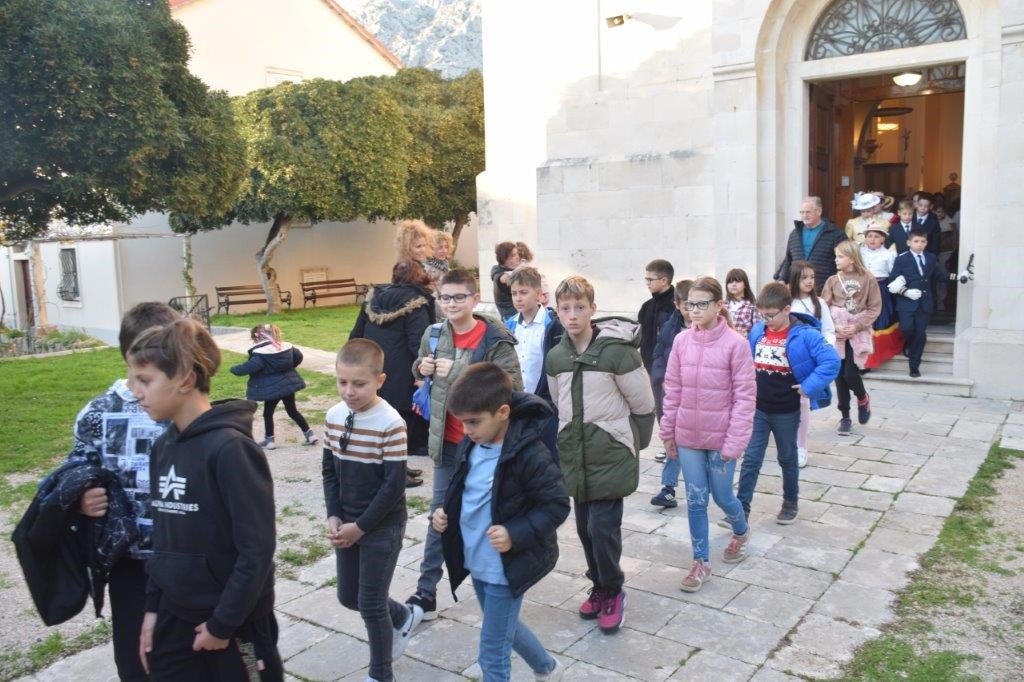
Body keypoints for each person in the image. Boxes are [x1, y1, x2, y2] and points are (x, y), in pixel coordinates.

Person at [131, 319, 281, 681]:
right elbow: (163, 538)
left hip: (235, 624)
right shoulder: (163, 446)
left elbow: (256, 549)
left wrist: (222, 624)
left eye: (145, 380)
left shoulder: (231, 449)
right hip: (174, 616)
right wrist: (152, 609)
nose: (135, 391)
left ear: (185, 379)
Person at [432, 363, 568, 681]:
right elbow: (463, 489)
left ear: (502, 412)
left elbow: (557, 505)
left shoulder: (530, 453)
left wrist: (514, 533)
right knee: (506, 625)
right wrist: (442, 513)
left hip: (506, 566)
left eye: (473, 422)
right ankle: (547, 668)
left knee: (492, 653)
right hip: (477, 558)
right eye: (462, 422)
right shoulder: (472, 442)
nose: (466, 430)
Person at [68, 302, 181, 682]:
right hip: (129, 560)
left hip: (183, 554)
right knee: (136, 660)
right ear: (128, 356)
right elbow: (75, 471)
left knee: (184, 651)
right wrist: (82, 498)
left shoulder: (182, 405)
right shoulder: (98, 413)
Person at [406, 268, 523, 621]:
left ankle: (501, 584)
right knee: (439, 515)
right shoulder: (434, 333)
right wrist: (421, 367)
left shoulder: (495, 338)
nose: (451, 304)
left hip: (487, 446)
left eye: (459, 297)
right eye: (445, 298)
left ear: (475, 299)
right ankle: (426, 592)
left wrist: (459, 372)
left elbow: (512, 387)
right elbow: (418, 369)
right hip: (447, 442)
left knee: (490, 514)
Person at [546, 276, 655, 632]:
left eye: (580, 307)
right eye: (565, 308)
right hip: (576, 455)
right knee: (584, 528)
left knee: (602, 527)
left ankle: (613, 590)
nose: (572, 315)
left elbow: (644, 405)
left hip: (611, 453)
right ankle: (599, 585)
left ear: (593, 309)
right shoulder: (557, 356)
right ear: (557, 312)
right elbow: (558, 401)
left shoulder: (617, 353)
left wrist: (628, 444)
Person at [323, 339, 423, 682]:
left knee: (370, 603)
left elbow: (394, 486)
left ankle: (381, 674)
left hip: (382, 527)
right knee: (349, 597)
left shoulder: (391, 423)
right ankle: (403, 616)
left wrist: (361, 527)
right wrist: (334, 515)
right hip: (347, 523)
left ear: (380, 380)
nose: (349, 391)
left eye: (359, 384)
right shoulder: (334, 416)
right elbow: (329, 471)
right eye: (342, 382)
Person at [660, 276, 754, 592]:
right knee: (696, 499)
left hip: (722, 438)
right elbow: (672, 388)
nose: (695, 310)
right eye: (691, 304)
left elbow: (745, 397)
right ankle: (701, 561)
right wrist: (668, 431)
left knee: (723, 495)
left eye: (702, 304)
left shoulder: (736, 345)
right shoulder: (681, 341)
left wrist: (735, 441)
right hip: (688, 435)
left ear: (719, 305)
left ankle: (740, 530)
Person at [736, 282, 840, 525]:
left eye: (770, 315)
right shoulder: (758, 331)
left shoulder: (807, 335)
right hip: (758, 408)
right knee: (751, 458)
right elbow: (747, 361)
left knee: (787, 457)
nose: (766, 320)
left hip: (786, 410)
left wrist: (808, 387)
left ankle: (790, 502)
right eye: (762, 315)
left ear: (786, 309)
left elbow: (831, 362)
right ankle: (741, 509)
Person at [350, 260, 438, 485]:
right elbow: (418, 343)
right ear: (419, 277)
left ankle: (399, 468)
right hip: (402, 373)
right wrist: (423, 373)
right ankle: (395, 474)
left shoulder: (373, 299)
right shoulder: (416, 302)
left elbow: (356, 335)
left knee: (382, 420)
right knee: (398, 425)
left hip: (373, 369)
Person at [822, 240, 882, 436]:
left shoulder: (868, 278)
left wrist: (857, 326)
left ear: (852, 258)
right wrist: (836, 327)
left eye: (840, 256)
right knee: (839, 376)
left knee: (850, 372)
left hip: (857, 331)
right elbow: (824, 308)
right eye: (836, 256)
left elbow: (874, 307)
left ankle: (862, 397)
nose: (836, 259)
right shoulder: (832, 280)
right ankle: (845, 416)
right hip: (838, 333)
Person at [503, 266, 564, 456]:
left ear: (538, 294)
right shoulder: (508, 325)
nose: (518, 298)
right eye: (514, 293)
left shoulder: (553, 325)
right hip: (517, 403)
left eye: (523, 292)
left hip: (546, 404)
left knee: (547, 455)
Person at [229, 324, 317, 450]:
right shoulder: (285, 347)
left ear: (257, 337)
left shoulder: (261, 354)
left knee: (268, 413)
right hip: (288, 386)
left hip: (273, 389)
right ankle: (310, 434)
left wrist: (233, 369)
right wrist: (288, 369)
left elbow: (249, 367)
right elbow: (298, 357)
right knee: (292, 411)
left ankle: (269, 440)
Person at [887, 229, 955, 378]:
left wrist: (958, 276)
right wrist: (906, 292)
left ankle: (914, 365)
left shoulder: (931, 257)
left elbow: (940, 275)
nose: (920, 244)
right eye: (916, 241)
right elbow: (892, 280)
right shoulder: (902, 259)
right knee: (906, 328)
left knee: (920, 333)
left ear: (926, 243)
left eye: (923, 241)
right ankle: (908, 343)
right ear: (909, 243)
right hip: (906, 302)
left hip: (924, 302)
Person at [788, 261, 835, 467]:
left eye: (812, 277)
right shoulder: (787, 302)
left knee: (803, 401)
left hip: (808, 361)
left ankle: (801, 446)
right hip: (788, 358)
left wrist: (824, 349)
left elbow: (828, 330)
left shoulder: (820, 303)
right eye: (804, 277)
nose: (809, 281)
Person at [650, 279, 692, 507]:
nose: (691, 310)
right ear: (677, 305)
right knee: (672, 437)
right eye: (686, 305)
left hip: (700, 395)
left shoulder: (709, 327)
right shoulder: (670, 327)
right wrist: (661, 378)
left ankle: (701, 487)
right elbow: (659, 354)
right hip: (675, 392)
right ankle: (668, 488)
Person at [638, 259, 676, 464]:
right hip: (651, 366)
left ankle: (679, 447)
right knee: (661, 409)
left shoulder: (675, 306)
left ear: (664, 280)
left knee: (672, 408)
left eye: (650, 279)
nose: (647, 283)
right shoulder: (647, 306)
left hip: (672, 368)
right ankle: (669, 446)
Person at [774, 196, 847, 292]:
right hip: (797, 289)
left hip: (824, 290)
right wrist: (782, 279)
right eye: (802, 212)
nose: (804, 215)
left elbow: (846, 260)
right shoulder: (794, 234)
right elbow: (788, 260)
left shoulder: (835, 234)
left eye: (808, 212)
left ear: (819, 211)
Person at [859, 223, 903, 370]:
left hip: (880, 289)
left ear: (883, 239)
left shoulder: (889, 254)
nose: (872, 239)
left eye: (876, 236)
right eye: (869, 236)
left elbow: (893, 274)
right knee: (862, 321)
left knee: (878, 322)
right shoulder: (859, 252)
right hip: (861, 289)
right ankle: (863, 360)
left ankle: (874, 357)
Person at [725, 267, 762, 338]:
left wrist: (748, 334)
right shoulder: (723, 305)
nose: (733, 284)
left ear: (745, 284)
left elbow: (758, 329)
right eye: (730, 282)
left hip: (744, 342)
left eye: (737, 281)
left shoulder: (752, 305)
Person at [490, 242, 521, 320]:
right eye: (513, 255)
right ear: (505, 259)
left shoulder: (513, 269)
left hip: (517, 315)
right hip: (511, 318)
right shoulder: (499, 274)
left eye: (517, 254)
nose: (517, 257)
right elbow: (503, 278)